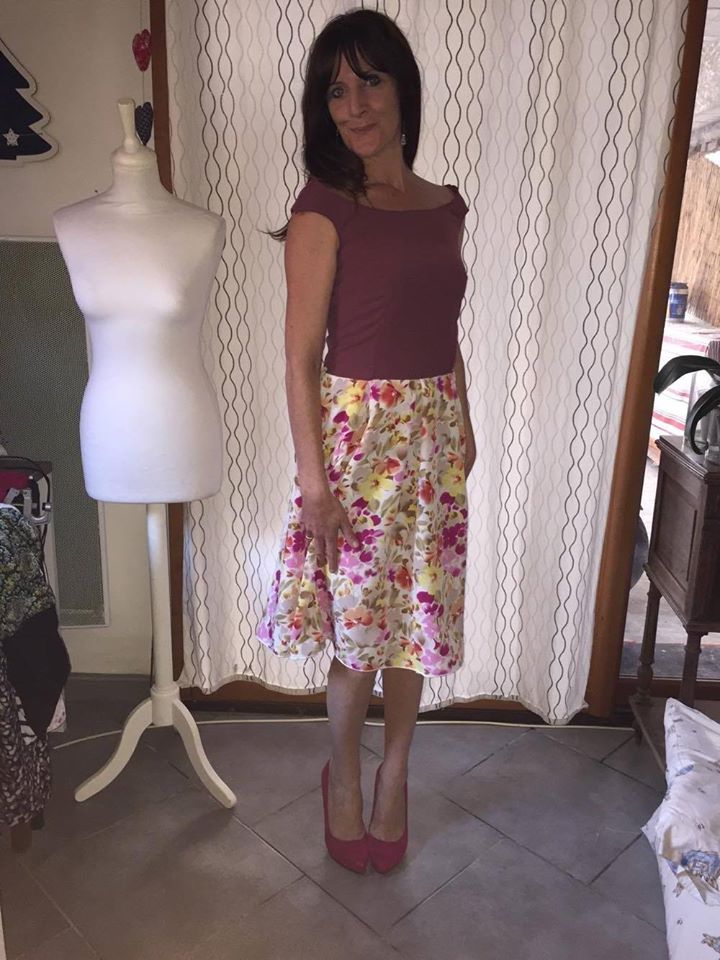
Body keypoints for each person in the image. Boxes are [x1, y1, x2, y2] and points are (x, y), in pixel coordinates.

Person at [257, 8, 476, 874]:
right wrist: (313, 483)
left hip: (433, 447)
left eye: (370, 82)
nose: (354, 106)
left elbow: (445, 330)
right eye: (336, 91)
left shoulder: (446, 206)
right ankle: (343, 775)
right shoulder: (323, 207)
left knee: (415, 629)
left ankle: (396, 775)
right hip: (359, 451)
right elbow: (298, 357)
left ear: (401, 88)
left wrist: (466, 424)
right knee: (358, 639)